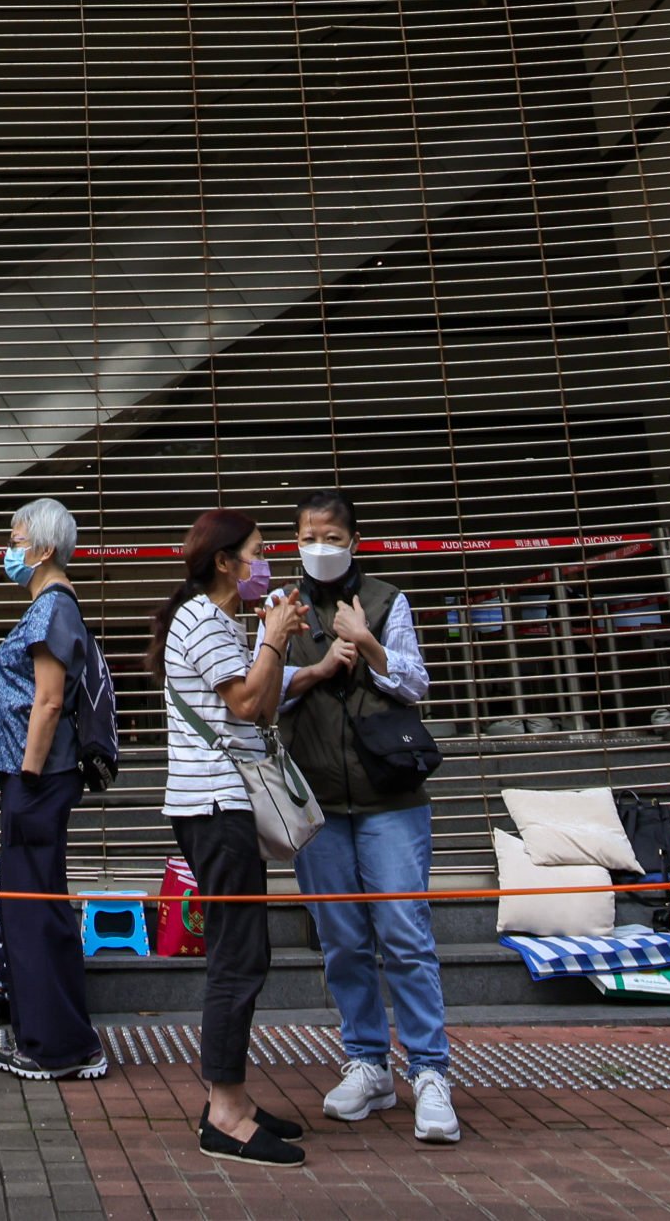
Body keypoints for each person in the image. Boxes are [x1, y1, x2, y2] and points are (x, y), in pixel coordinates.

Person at [273, 490, 454, 1144]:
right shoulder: (280, 608)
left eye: (329, 534)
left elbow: (415, 682)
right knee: (342, 942)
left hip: (389, 802)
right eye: (305, 535)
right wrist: (313, 667)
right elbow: (258, 696)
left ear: (353, 539)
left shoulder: (385, 599)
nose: (316, 546)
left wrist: (366, 644)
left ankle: (430, 1073)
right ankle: (369, 1063)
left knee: (405, 937)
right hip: (316, 803)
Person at [151, 508, 305, 1166]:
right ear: (223, 561)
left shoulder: (219, 622)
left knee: (244, 951)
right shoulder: (203, 619)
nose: (262, 564)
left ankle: (231, 1098)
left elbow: (264, 705)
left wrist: (277, 640)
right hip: (214, 805)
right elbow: (245, 705)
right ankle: (224, 1110)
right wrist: (271, 637)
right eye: (256, 552)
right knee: (237, 955)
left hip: (222, 805)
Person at [0, 495, 115, 1083]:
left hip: (38, 780)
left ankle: (55, 1046)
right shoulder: (53, 607)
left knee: (32, 911)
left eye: (16, 539)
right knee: (36, 905)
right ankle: (61, 1037)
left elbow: (50, 700)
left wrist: (29, 775)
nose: (10, 550)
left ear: (45, 548)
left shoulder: (53, 609)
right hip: (36, 780)